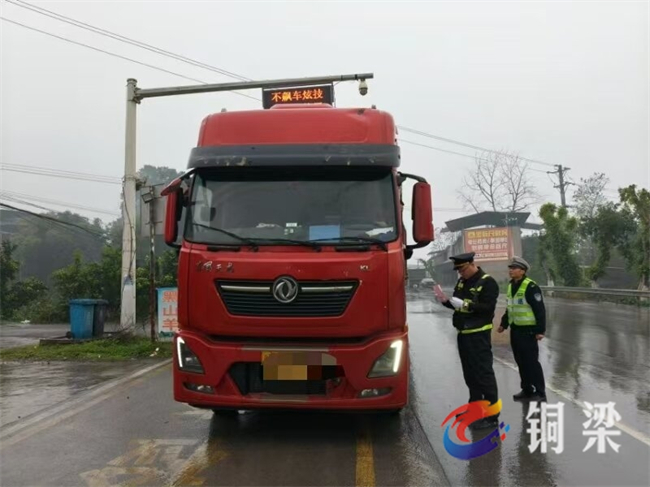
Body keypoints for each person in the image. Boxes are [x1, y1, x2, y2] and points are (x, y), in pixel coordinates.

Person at [435, 252, 500, 430]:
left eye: (462, 269)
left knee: (483, 375)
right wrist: (445, 301)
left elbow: (487, 309)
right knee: (470, 375)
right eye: (458, 270)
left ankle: (492, 415)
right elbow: (457, 303)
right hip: (463, 334)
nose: (460, 273)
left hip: (478, 335)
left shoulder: (488, 282)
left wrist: (465, 305)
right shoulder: (463, 281)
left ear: (472, 264)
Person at [497, 256, 547, 402]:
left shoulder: (531, 286)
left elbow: (540, 310)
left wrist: (540, 331)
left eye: (514, 268)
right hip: (516, 331)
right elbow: (510, 308)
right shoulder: (511, 285)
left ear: (522, 271)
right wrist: (503, 324)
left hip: (529, 331)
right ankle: (527, 389)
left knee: (531, 362)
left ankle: (540, 391)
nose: (511, 271)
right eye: (510, 268)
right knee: (520, 361)